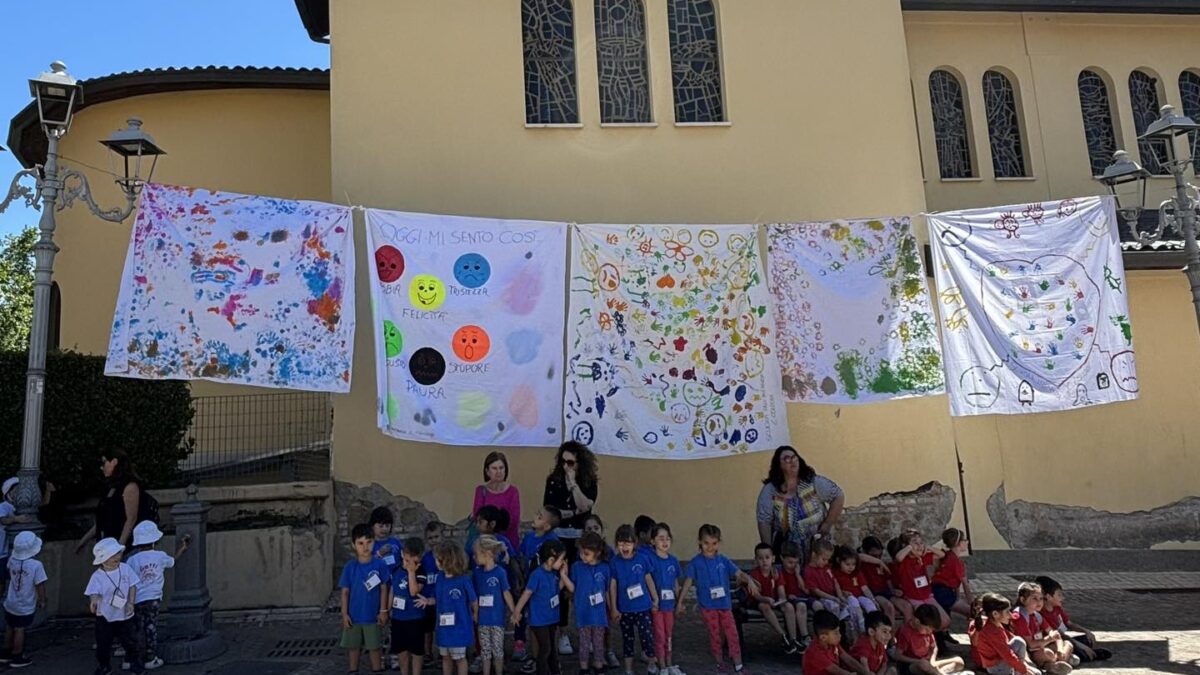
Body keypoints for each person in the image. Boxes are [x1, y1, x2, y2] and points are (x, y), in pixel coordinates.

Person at [542, 441, 599, 656]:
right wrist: (571, 511)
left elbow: (587, 506)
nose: (567, 467)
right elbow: (551, 512)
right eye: (563, 462)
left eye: (571, 463)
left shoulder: (588, 481)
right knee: (563, 587)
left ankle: (589, 632)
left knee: (584, 586)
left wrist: (573, 484)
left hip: (581, 539)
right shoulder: (553, 481)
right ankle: (563, 632)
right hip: (559, 539)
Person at [678, 524, 758, 674]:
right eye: (706, 543)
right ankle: (719, 662)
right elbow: (688, 581)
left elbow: (739, 573)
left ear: (719, 543)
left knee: (732, 633)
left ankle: (738, 664)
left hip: (724, 605)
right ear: (700, 542)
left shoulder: (723, 560)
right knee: (715, 634)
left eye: (714, 543)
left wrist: (750, 580)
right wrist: (681, 601)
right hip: (708, 606)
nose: (710, 547)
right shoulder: (696, 562)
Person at [756, 446, 845, 563]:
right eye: (786, 459)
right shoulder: (770, 490)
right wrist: (768, 553)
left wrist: (827, 525)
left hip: (817, 547)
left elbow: (838, 496)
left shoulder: (813, 482)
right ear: (778, 465)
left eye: (794, 457)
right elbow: (764, 520)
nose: (792, 461)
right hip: (788, 552)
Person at [125, 520, 190, 671]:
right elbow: (173, 561)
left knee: (136, 628)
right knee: (150, 627)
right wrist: (183, 548)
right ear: (155, 540)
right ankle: (150, 657)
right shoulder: (160, 556)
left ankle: (131, 658)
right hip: (153, 598)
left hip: (136, 598)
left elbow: (127, 578)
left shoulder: (132, 559)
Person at [85, 537, 144, 675]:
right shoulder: (97, 576)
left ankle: (134, 663)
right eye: (112, 556)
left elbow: (132, 585)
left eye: (118, 554)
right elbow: (93, 592)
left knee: (130, 640)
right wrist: (93, 601)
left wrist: (131, 602)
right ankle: (104, 665)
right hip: (105, 614)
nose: (116, 558)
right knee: (103, 643)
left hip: (124, 612)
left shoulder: (125, 569)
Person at [512, 539, 571, 675]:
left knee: (551, 649)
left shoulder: (554, 574)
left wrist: (563, 575)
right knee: (545, 648)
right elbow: (527, 593)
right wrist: (517, 611)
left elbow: (557, 590)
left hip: (551, 618)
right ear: (551, 560)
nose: (563, 562)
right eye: (561, 559)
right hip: (539, 620)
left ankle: (555, 671)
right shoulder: (537, 575)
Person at [339, 523, 391, 674]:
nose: (365, 547)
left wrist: (383, 610)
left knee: (375, 648)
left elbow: (383, 588)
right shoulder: (350, 567)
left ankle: (377, 670)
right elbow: (345, 592)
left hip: (372, 616)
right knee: (353, 648)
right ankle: (353, 670)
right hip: (354, 616)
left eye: (369, 542)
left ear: (374, 542)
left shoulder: (380, 565)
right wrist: (344, 614)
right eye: (360, 543)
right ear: (354, 545)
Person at [609, 524, 657, 675]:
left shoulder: (642, 559)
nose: (624, 547)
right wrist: (614, 608)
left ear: (634, 543)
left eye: (628, 543)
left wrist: (655, 598)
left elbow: (648, 578)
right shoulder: (615, 562)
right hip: (625, 608)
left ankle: (651, 664)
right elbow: (613, 585)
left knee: (647, 637)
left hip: (643, 607)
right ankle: (629, 669)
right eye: (621, 543)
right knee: (627, 639)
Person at [516, 506, 561, 664]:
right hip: (531, 585)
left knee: (547, 626)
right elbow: (521, 556)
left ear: (547, 526)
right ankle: (536, 658)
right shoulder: (529, 537)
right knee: (534, 623)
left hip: (547, 590)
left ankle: (548, 657)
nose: (535, 517)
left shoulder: (553, 541)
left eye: (540, 516)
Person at [76, 450, 145, 552]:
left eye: (104, 463)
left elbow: (131, 519)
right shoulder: (110, 487)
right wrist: (84, 540)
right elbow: (103, 520)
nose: (102, 467)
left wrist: (120, 547)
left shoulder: (130, 486)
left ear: (114, 462)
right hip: (107, 546)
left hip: (124, 547)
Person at [1034, 576, 1111, 663]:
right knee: (1076, 648)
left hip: (1062, 640)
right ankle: (1089, 655)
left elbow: (1069, 624)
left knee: (1087, 640)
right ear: (1048, 597)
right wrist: (1082, 646)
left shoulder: (1057, 608)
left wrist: (1086, 631)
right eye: (1059, 595)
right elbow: (1061, 635)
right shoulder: (1042, 613)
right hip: (1053, 643)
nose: (1062, 598)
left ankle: (1079, 653)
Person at [1, 532, 46, 669]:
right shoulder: (36, 565)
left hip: (10, 601)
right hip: (25, 604)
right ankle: (17, 654)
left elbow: (10, 573)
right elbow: (40, 585)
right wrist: (42, 599)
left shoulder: (12, 560)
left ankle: (5, 652)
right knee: (20, 628)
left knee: (10, 626)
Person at [570, 532, 611, 675]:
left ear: (597, 552)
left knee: (599, 640)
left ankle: (598, 664)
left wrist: (612, 608)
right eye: (581, 552)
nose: (582, 556)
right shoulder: (576, 567)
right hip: (583, 611)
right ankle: (584, 666)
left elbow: (607, 590)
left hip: (599, 612)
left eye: (586, 553)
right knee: (584, 641)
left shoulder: (605, 568)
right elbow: (573, 587)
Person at [472, 536, 515, 675]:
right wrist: (475, 613)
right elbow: (475, 597)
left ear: (488, 554)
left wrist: (514, 611)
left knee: (497, 650)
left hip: (497, 619)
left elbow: (506, 593)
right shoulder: (477, 573)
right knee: (485, 651)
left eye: (477, 554)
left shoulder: (500, 572)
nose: (474, 557)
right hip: (483, 620)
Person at [748, 542, 800, 654]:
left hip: (774, 601)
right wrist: (766, 599)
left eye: (767, 557)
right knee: (764, 606)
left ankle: (793, 639)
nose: (764, 561)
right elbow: (756, 595)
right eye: (760, 558)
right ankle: (783, 635)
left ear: (773, 558)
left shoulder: (776, 572)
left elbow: (781, 590)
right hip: (759, 602)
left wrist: (781, 600)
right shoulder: (754, 574)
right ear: (756, 560)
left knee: (789, 606)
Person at [1011, 582, 1073, 675]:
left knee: (1068, 644)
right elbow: (1031, 645)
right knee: (1047, 653)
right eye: (1034, 599)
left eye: (1041, 598)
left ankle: (1055, 664)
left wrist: (1060, 649)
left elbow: (1054, 633)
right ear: (1023, 600)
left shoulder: (1036, 615)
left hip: (1040, 646)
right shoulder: (1020, 616)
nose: (1039, 602)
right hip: (1029, 652)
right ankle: (1056, 664)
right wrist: (1049, 639)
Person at [433, 541, 476, 675]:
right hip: (443, 628)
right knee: (446, 657)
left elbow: (474, 600)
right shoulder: (439, 578)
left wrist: (476, 615)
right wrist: (427, 601)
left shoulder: (463, 580)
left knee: (459, 658)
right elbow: (437, 597)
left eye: (438, 559)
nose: (436, 562)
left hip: (459, 628)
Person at [387, 537, 429, 675]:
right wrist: (387, 609)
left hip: (415, 617)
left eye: (414, 561)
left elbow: (413, 591)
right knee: (401, 649)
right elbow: (393, 589)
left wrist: (411, 571)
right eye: (406, 560)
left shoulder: (421, 571)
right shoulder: (396, 569)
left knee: (416, 649)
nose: (409, 564)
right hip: (398, 617)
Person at [973, 592, 1040, 675]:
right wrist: (1024, 670)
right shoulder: (992, 632)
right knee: (1019, 643)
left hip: (1001, 661)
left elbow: (1011, 638)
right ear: (995, 614)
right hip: (996, 667)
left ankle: (1018, 670)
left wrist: (1024, 666)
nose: (1010, 615)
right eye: (1007, 612)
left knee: (1018, 641)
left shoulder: (995, 624)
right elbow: (1008, 655)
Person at [895, 530, 949, 630]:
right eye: (915, 543)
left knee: (945, 621)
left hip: (927, 595)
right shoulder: (904, 561)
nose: (919, 546)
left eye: (921, 543)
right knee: (925, 623)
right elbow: (898, 557)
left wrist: (928, 547)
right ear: (906, 546)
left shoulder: (923, 558)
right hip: (914, 598)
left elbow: (942, 555)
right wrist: (910, 547)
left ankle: (931, 636)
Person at [648, 524, 683, 675]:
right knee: (659, 634)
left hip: (669, 605)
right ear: (653, 541)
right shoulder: (651, 560)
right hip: (657, 606)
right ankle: (661, 664)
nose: (665, 541)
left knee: (668, 634)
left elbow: (675, 583)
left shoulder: (673, 561)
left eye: (667, 538)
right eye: (660, 538)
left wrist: (679, 602)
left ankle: (669, 663)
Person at [893, 604, 965, 675]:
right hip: (912, 665)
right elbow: (898, 656)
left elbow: (934, 647)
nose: (929, 632)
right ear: (917, 621)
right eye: (927, 629)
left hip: (929, 663)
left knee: (959, 661)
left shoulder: (927, 632)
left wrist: (932, 659)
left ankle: (937, 672)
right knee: (923, 664)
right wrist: (918, 661)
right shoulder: (905, 632)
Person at [931, 528, 972, 647]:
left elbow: (956, 584)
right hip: (943, 591)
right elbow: (965, 584)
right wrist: (972, 605)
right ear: (958, 543)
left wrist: (958, 597)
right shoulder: (956, 562)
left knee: (945, 613)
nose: (967, 542)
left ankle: (943, 639)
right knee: (970, 612)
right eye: (965, 540)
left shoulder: (948, 555)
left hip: (940, 590)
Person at [804, 539, 854, 631]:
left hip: (833, 596)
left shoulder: (827, 568)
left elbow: (835, 582)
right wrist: (833, 598)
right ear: (814, 555)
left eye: (828, 559)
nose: (826, 562)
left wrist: (840, 595)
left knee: (851, 603)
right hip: (822, 598)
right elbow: (815, 591)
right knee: (833, 606)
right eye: (823, 559)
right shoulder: (809, 571)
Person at [474, 452, 521, 547]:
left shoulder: (513, 491)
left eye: (501, 468)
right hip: (486, 543)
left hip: (508, 541)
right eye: (494, 468)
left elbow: (514, 519)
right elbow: (477, 516)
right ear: (487, 471)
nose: (498, 472)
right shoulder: (481, 490)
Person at [802, 609, 867, 675]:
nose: (840, 635)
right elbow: (838, 671)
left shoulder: (832, 643)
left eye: (839, 631)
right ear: (823, 637)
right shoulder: (814, 652)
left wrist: (866, 673)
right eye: (835, 633)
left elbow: (848, 660)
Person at [833, 545, 881, 634]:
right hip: (848, 598)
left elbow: (864, 588)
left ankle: (876, 623)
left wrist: (873, 599)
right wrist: (843, 593)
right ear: (839, 561)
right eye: (847, 564)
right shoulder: (836, 573)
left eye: (853, 564)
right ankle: (861, 625)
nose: (851, 567)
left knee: (868, 602)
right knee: (853, 600)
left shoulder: (857, 573)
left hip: (859, 596)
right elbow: (835, 589)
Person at [778, 541, 813, 651]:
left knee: (801, 606)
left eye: (795, 563)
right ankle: (793, 639)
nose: (793, 566)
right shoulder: (779, 570)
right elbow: (780, 590)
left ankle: (804, 636)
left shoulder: (799, 571)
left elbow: (806, 590)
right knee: (790, 607)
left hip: (800, 599)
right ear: (782, 558)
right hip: (787, 599)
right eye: (790, 562)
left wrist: (798, 575)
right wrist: (788, 596)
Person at [421, 521, 446, 666]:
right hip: (428, 598)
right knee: (427, 628)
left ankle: (444, 654)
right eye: (430, 538)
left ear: (442, 536)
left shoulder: (447, 557)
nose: (434, 540)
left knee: (443, 627)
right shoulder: (425, 559)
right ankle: (427, 653)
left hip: (443, 599)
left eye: (436, 537)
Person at [0, 478, 32, 587]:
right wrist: (16, 519)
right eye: (16, 491)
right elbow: (3, 520)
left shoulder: (16, 508)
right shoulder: (3, 506)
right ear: (8, 492)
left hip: (8, 552)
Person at [370, 505, 404, 575]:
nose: (384, 529)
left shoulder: (395, 542)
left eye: (387, 525)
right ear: (372, 526)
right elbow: (366, 565)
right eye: (381, 526)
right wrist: (379, 554)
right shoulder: (369, 544)